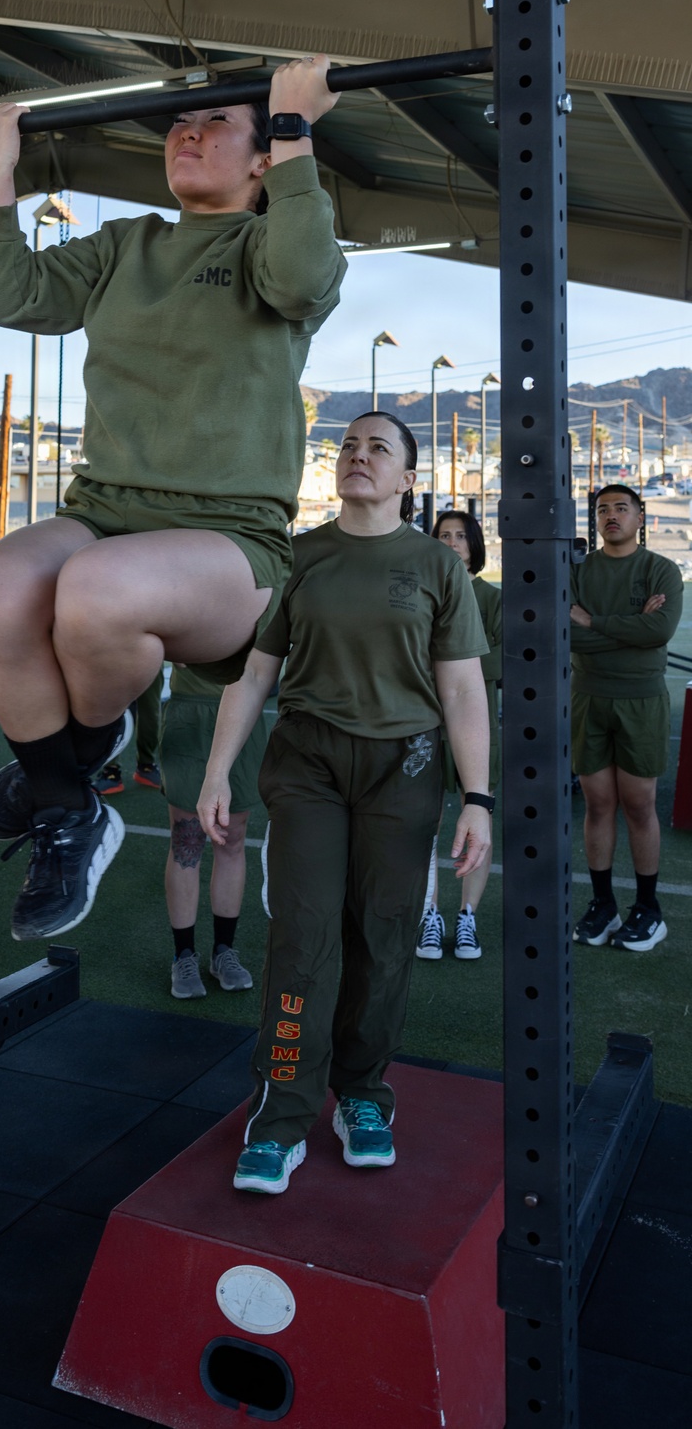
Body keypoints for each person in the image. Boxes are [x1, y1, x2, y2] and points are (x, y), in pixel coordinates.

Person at [0, 56, 345, 943]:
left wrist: (294, 127)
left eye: (219, 125)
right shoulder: (123, 245)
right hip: (106, 506)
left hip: (229, 540)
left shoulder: (270, 243)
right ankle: (70, 803)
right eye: (180, 123)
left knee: (98, 589)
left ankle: (76, 757)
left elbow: (300, 279)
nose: (188, 132)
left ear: (261, 164)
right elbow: (11, 294)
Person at [198, 412, 491, 1194]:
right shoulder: (299, 558)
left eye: (378, 449)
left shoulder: (439, 567)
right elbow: (255, 673)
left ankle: (362, 1095)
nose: (358, 456)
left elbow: (462, 688)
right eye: (348, 447)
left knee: (385, 934)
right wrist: (218, 771)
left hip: (407, 767)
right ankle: (281, 1114)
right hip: (310, 764)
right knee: (304, 933)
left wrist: (478, 798)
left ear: (406, 480)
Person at [570, 484, 682, 952]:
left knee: (638, 805)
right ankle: (603, 904)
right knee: (598, 805)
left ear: (641, 517)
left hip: (641, 701)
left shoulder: (661, 569)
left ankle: (648, 909)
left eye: (621, 508)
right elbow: (566, 636)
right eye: (602, 510)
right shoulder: (578, 570)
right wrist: (632, 630)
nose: (611, 516)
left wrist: (594, 622)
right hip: (589, 698)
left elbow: (659, 632)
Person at [416, 509, 501, 961]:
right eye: (443, 535)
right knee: (423, 822)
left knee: (477, 819)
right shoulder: (421, 593)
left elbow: (508, 659)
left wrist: (451, 664)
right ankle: (429, 914)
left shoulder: (492, 597)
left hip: (476, 723)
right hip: (424, 723)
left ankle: (467, 916)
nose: (451, 542)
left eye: (460, 536)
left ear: (474, 545)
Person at [163, 665, 267, 1000]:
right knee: (187, 841)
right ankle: (183, 955)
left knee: (232, 839)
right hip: (191, 711)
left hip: (244, 711)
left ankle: (224, 951)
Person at [94, 668, 164, 794]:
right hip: (120, 655)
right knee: (113, 708)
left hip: (150, 655)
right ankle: (112, 771)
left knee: (151, 711)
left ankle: (146, 766)